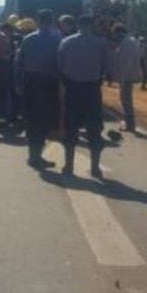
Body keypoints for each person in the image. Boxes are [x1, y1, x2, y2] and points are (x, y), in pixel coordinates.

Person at [58, 14, 108, 178]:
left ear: (77, 25)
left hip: (72, 89)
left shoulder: (66, 42)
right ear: (92, 25)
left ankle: (68, 165)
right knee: (94, 130)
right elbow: (105, 67)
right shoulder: (100, 43)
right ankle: (95, 168)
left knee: (70, 129)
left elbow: (60, 66)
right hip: (92, 90)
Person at [15, 9, 62, 169]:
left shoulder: (28, 39)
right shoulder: (57, 40)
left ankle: (33, 155)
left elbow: (19, 63)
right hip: (48, 83)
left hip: (30, 81)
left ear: (38, 21)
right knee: (44, 119)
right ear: (51, 21)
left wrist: (19, 83)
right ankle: (36, 156)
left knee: (31, 118)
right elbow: (60, 64)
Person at [109, 24, 143, 133]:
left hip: (126, 77)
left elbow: (126, 63)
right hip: (128, 75)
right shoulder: (130, 42)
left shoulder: (127, 44)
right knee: (125, 100)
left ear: (119, 32)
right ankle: (129, 123)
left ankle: (130, 125)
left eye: (114, 33)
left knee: (126, 100)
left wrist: (122, 80)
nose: (114, 36)